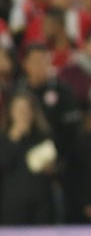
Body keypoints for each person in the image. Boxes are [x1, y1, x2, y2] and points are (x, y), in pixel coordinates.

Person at [0, 90, 57, 224]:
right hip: (12, 205)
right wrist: (14, 137)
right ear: (11, 112)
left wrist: (51, 168)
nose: (23, 114)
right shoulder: (3, 139)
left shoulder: (43, 136)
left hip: (41, 204)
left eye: (26, 109)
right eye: (19, 109)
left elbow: (56, 167)